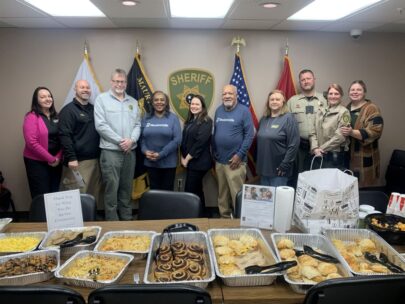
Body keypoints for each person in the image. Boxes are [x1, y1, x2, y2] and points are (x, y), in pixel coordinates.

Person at [94, 68, 141, 221]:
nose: (120, 84)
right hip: (111, 152)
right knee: (111, 189)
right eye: (117, 81)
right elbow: (101, 126)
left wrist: (132, 140)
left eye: (123, 81)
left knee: (126, 188)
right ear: (111, 82)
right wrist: (121, 141)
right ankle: (112, 223)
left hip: (129, 152)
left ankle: (127, 219)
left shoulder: (133, 102)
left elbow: (137, 125)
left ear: (126, 83)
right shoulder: (101, 99)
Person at [59, 80, 103, 207]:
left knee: (92, 196)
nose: (85, 89)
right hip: (78, 162)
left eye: (87, 87)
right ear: (75, 89)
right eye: (82, 87)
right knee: (77, 196)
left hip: (95, 161)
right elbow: (64, 136)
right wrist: (71, 157)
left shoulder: (94, 109)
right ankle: (77, 226)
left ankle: (91, 223)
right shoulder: (68, 111)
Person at [213, 84, 254, 218]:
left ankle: (238, 221)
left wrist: (239, 155)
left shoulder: (244, 111)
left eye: (230, 93)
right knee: (222, 194)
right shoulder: (218, 111)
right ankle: (224, 218)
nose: (227, 96)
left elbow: (249, 135)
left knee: (236, 194)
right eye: (224, 94)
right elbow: (216, 133)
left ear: (236, 95)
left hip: (235, 161)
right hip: (220, 161)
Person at [341, 80, 383, 188]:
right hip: (346, 155)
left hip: (364, 158)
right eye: (352, 90)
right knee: (347, 187)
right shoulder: (345, 108)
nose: (355, 92)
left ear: (364, 92)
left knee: (362, 189)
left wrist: (351, 132)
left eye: (359, 89)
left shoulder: (372, 108)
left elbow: (375, 131)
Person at [23, 87, 62, 199]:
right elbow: (31, 143)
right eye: (43, 96)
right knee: (42, 196)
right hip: (37, 163)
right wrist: (51, 159)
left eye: (49, 96)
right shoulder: (31, 117)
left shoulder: (57, 116)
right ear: (36, 100)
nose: (47, 99)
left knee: (54, 193)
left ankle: (53, 217)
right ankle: (40, 217)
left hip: (56, 161)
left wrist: (58, 157)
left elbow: (63, 138)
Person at [257, 90, 299, 187]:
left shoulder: (289, 118)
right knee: (266, 201)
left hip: (279, 171)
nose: (274, 101)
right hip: (264, 170)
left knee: (278, 201)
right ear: (268, 102)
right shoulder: (263, 119)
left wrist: (284, 165)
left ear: (283, 102)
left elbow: (294, 145)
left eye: (277, 99)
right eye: (272, 99)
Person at [141, 91, 181, 191]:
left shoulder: (173, 118)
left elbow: (177, 140)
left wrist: (161, 154)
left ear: (166, 102)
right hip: (151, 163)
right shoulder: (146, 118)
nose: (159, 102)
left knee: (167, 193)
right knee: (154, 192)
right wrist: (145, 151)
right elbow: (141, 138)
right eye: (156, 100)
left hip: (168, 164)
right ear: (152, 102)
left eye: (162, 100)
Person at [288, 69, 326, 175]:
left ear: (314, 80)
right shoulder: (292, 101)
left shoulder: (325, 100)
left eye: (308, 78)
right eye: (303, 80)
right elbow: (286, 125)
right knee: (299, 177)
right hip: (299, 148)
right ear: (300, 83)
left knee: (319, 177)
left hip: (321, 147)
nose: (306, 81)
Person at [309, 84, 351, 170]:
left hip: (333, 156)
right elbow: (312, 131)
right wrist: (314, 148)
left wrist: (321, 149)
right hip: (318, 154)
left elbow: (340, 137)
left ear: (341, 96)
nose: (333, 96)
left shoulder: (344, 112)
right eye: (331, 93)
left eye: (336, 94)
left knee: (331, 182)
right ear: (327, 95)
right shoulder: (320, 110)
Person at [180, 94, 212, 205]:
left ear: (202, 106)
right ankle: (201, 216)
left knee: (191, 192)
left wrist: (186, 159)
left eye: (197, 104)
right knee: (197, 191)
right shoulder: (190, 120)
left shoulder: (206, 121)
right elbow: (184, 141)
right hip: (191, 162)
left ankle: (195, 216)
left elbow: (200, 143)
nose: (194, 106)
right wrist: (182, 156)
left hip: (200, 163)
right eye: (192, 104)